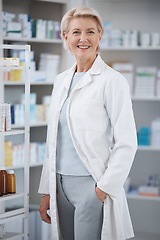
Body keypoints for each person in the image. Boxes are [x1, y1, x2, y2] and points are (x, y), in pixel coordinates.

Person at [38, 6, 137, 240]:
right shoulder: (61, 81)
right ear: (65, 37)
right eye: (76, 32)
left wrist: (101, 191)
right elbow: (53, 140)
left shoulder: (112, 81)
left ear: (100, 36)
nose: (83, 39)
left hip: (91, 185)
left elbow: (127, 142)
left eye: (90, 32)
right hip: (58, 185)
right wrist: (46, 192)